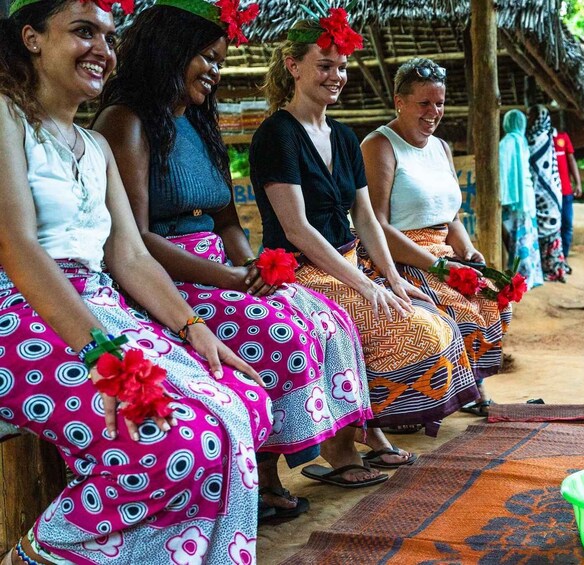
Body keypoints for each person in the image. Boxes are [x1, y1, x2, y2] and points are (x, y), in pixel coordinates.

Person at [0, 0, 272, 562]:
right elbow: (17, 248)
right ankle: (43, 553)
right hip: (21, 310)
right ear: (31, 37)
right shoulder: (5, 117)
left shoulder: (95, 146)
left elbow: (129, 256)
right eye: (83, 32)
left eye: (109, 36)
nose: (102, 50)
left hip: (102, 306)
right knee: (169, 436)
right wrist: (104, 356)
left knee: (244, 401)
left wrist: (194, 327)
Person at [94, 0, 388, 511]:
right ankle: (263, 478)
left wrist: (255, 269)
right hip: (165, 277)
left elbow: (228, 221)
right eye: (206, 57)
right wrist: (231, 278)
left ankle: (288, 464)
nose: (214, 71)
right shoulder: (127, 122)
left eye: (220, 61)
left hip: (216, 267)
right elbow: (135, 239)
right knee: (282, 331)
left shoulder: (200, 125)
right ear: (170, 51)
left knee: (323, 316)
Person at [249, 13, 478, 458]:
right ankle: (344, 444)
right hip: (300, 275)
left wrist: (392, 280)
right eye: (324, 65)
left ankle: (366, 432)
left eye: (341, 67)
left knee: (438, 322)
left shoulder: (343, 135)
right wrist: (365, 286)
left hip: (348, 264)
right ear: (293, 66)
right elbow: (297, 229)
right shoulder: (277, 136)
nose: (336, 76)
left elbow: (367, 218)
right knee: (411, 332)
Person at [360, 57, 512, 417]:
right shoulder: (380, 145)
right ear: (399, 101)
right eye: (424, 103)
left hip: (443, 251)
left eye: (439, 103)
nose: (434, 112)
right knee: (458, 305)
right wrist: (439, 266)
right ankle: (425, 400)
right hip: (399, 257)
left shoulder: (441, 147)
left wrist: (469, 251)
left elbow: (449, 216)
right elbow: (376, 225)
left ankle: (468, 383)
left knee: (495, 295)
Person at [498, 109, 544, 289]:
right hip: (527, 195)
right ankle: (530, 275)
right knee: (528, 236)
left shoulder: (507, 142)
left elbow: (502, 171)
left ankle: (520, 278)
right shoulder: (522, 141)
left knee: (518, 238)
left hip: (514, 198)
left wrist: (502, 196)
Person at [526, 105, 569, 282]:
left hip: (545, 194)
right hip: (546, 193)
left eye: (533, 116)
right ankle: (552, 268)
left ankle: (553, 268)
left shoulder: (539, 137)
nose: (530, 119)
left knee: (549, 232)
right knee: (545, 231)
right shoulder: (547, 135)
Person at [553, 128, 581, 264]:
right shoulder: (540, 139)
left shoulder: (563, 137)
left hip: (566, 192)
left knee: (567, 224)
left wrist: (578, 183)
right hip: (549, 194)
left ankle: (564, 257)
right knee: (553, 226)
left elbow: (571, 160)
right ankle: (554, 258)